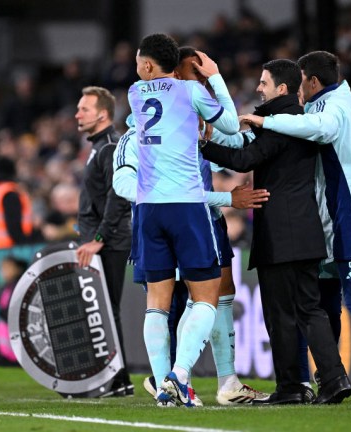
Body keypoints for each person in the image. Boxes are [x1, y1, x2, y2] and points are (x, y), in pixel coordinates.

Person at [239, 51, 351, 404]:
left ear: (312, 81)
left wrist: (265, 123)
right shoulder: (325, 106)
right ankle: (323, 378)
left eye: (301, 80)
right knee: (325, 299)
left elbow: (321, 129)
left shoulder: (336, 107)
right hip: (336, 219)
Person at [201, 58, 351, 405]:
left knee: (282, 314)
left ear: (282, 89)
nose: (258, 88)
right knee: (310, 309)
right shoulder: (299, 123)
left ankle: (292, 387)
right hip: (306, 230)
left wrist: (201, 143)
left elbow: (243, 161)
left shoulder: (278, 125)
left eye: (264, 83)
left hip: (281, 236)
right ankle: (334, 377)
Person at [127, 33, 240, 407]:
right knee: (206, 295)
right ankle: (180, 375)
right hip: (186, 206)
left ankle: (165, 390)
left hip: (147, 210)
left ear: (146, 65)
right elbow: (231, 127)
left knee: (156, 304)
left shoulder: (134, 93)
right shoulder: (190, 92)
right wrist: (216, 77)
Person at [74, 86, 133, 397]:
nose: (77, 114)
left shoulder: (110, 145)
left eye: (84, 109)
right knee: (102, 310)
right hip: (102, 239)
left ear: (102, 114)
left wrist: (99, 238)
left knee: (106, 311)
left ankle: (117, 379)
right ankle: (115, 379)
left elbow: (118, 194)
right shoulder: (100, 146)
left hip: (110, 241)